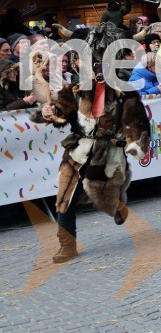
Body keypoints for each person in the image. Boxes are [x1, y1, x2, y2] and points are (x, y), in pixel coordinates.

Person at [33, 23, 151, 263]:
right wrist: (46, 112)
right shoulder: (75, 90)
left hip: (107, 153)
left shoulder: (125, 92)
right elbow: (59, 116)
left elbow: (138, 122)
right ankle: (67, 246)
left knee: (104, 195)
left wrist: (134, 142)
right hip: (77, 151)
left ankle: (117, 204)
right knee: (64, 198)